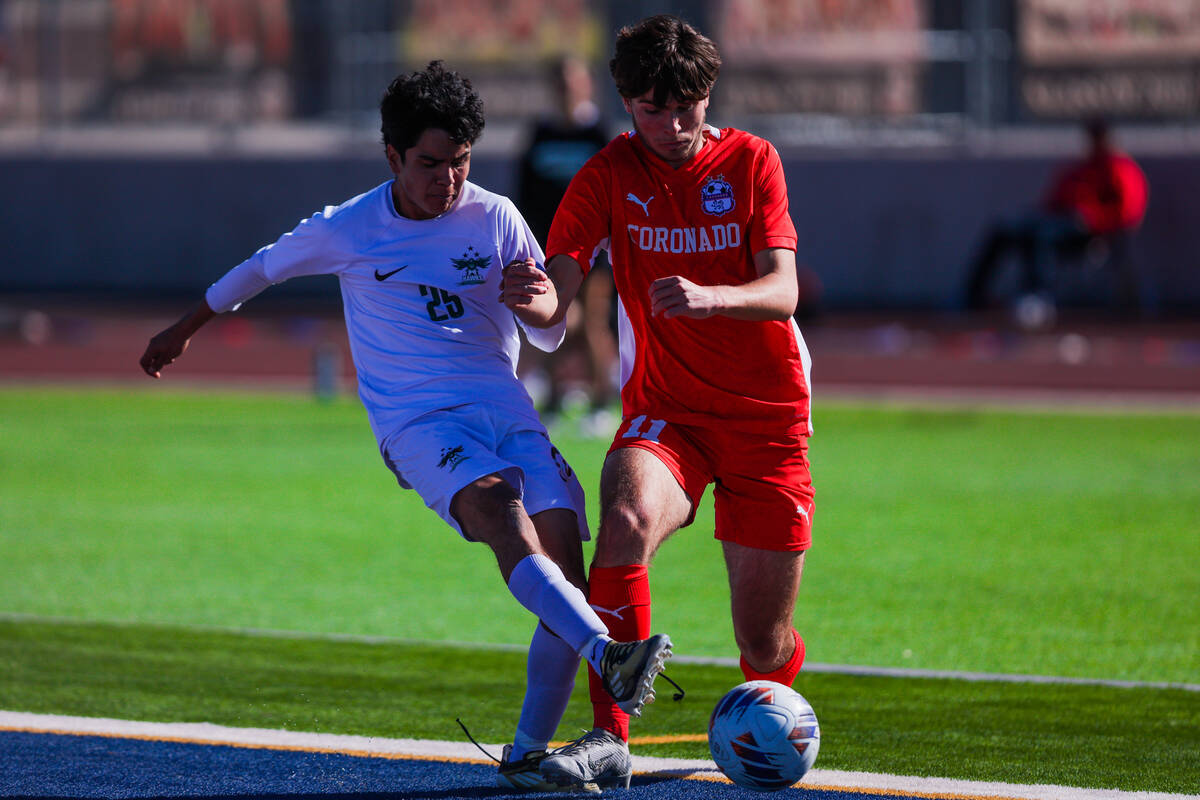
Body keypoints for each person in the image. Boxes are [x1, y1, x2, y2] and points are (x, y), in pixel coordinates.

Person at [138, 61, 671, 793]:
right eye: (429, 164)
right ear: (392, 155)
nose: (446, 179)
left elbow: (548, 337)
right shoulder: (349, 226)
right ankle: (610, 653)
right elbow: (260, 270)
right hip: (417, 421)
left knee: (563, 571)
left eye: (459, 162)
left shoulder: (496, 217)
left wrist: (545, 302)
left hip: (507, 411)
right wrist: (184, 328)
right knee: (498, 512)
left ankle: (523, 752)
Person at [500, 16, 815, 790]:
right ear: (624, 102)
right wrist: (534, 301)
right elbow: (558, 296)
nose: (672, 127)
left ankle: (780, 713)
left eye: (688, 108)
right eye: (651, 110)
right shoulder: (607, 173)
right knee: (626, 514)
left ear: (708, 95)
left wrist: (709, 298)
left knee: (765, 644)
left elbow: (785, 289)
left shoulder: (751, 162)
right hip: (667, 415)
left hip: (767, 423)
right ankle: (610, 737)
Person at [516, 56, 618, 434]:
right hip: (547, 247)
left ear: (587, 85)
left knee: (591, 321)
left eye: (573, 83)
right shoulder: (539, 133)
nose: (567, 91)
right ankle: (556, 399)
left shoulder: (597, 134)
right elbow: (524, 193)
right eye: (560, 83)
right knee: (553, 320)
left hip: (593, 248)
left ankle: (601, 402)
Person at [964, 118, 1149, 314]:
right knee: (1005, 230)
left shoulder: (1121, 168)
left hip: (1089, 232)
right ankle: (974, 295)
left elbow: (1129, 214)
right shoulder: (1081, 168)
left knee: (1044, 234)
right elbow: (1055, 202)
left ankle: (1038, 296)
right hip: (1062, 222)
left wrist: (1092, 218)